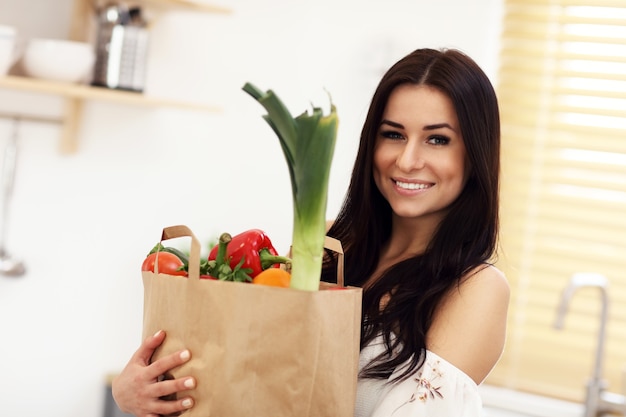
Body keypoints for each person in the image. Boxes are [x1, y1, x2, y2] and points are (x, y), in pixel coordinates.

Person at [112, 47, 509, 417]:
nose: (407, 160)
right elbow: (254, 370)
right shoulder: (333, 245)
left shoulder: (476, 289)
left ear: (474, 154)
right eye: (393, 134)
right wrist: (136, 391)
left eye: (437, 139)